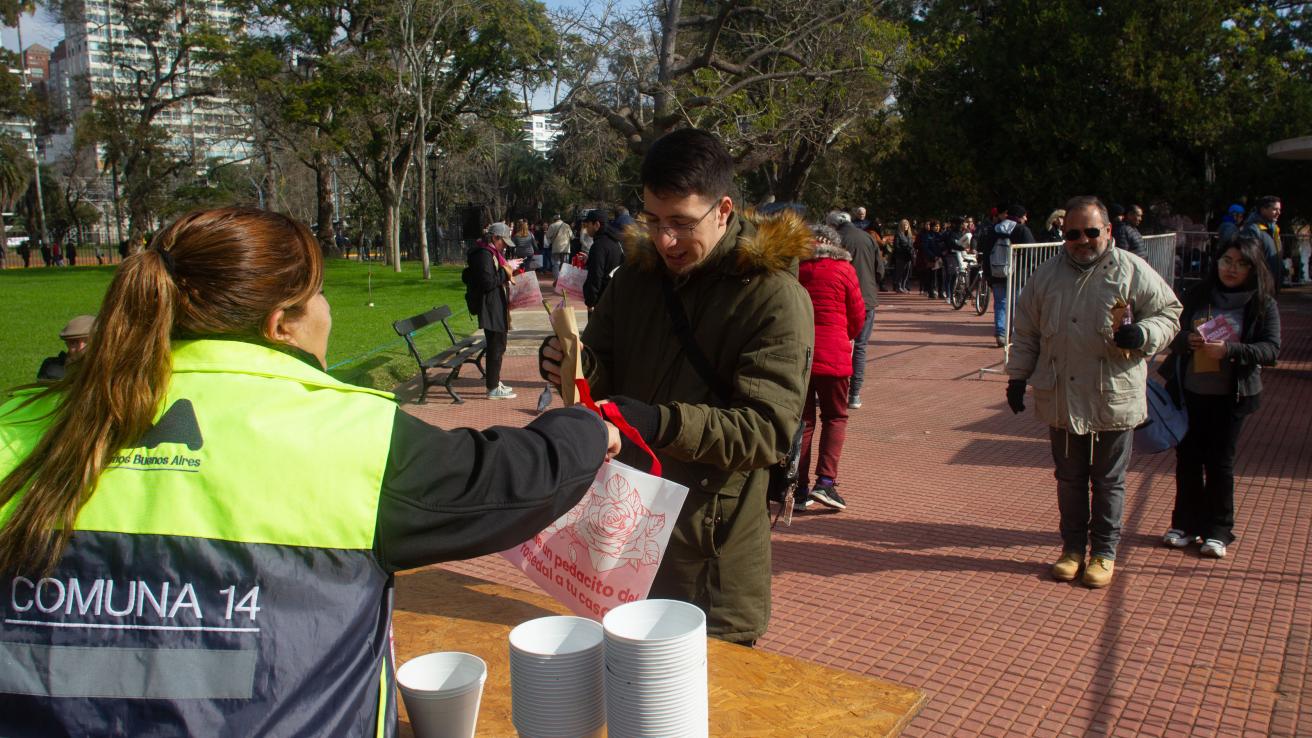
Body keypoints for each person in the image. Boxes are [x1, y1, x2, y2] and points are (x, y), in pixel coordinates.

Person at [0, 207, 619, 736]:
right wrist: (587, 427)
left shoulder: (19, 429)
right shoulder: (347, 437)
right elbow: (510, 477)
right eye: (318, 294)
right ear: (280, 324)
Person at [539, 128, 813, 644]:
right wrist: (566, 363)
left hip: (706, 553)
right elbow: (603, 371)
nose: (665, 241)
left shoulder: (773, 298)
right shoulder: (636, 281)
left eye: (682, 224)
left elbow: (766, 432)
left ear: (724, 209)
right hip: (622, 535)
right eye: (654, 221)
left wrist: (657, 421)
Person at [1006, 196, 1181, 588]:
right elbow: (1027, 332)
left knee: (1107, 480)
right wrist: (1017, 377)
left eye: (1090, 232)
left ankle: (1103, 552)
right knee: (1068, 479)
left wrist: (1144, 334)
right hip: (1062, 396)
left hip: (1112, 397)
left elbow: (1169, 313)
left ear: (1108, 231)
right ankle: (1072, 549)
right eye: (1072, 233)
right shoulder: (1046, 276)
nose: (1082, 240)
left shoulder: (1132, 270)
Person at [1159, 235, 1280, 559]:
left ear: (1253, 269)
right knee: (1187, 460)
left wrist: (1231, 350)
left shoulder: (1262, 302)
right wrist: (1187, 341)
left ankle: (1218, 530)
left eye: (1241, 264)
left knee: (1219, 463)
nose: (1231, 268)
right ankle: (1184, 524)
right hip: (1190, 393)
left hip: (1231, 397)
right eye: (1227, 260)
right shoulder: (1198, 294)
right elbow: (1171, 334)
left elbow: (1271, 349)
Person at [796, 224, 865, 511]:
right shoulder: (844, 270)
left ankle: (795, 488)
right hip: (834, 354)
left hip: (800, 354)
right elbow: (857, 314)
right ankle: (825, 482)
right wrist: (844, 334)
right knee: (835, 417)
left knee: (803, 422)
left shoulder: (796, 268)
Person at [826, 210, 879, 411]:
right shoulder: (867, 237)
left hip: (842, 297)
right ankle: (854, 394)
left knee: (839, 344)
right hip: (867, 298)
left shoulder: (835, 240)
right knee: (860, 346)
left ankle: (837, 392)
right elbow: (879, 268)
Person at [467, 222, 523, 399]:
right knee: (496, 345)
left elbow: (492, 278)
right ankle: (492, 388)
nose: (505, 246)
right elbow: (487, 282)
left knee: (499, 344)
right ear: (494, 238)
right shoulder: (483, 254)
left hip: (496, 304)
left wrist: (508, 269)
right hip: (490, 306)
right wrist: (507, 270)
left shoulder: (491, 253)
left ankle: (494, 381)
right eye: (503, 242)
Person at [980, 205, 1035, 347]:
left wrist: (988, 275)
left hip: (997, 272)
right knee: (1017, 304)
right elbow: (1031, 253)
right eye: (1024, 216)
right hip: (1018, 274)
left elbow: (986, 253)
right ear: (1019, 217)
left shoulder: (993, 230)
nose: (1026, 218)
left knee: (1000, 303)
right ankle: (1016, 334)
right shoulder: (1022, 230)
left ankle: (1001, 333)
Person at [582, 209, 624, 310]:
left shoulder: (598, 246)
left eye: (587, 225)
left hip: (602, 300)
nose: (586, 229)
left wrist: (590, 301)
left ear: (596, 225)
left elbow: (596, 275)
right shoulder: (616, 242)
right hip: (615, 296)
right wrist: (589, 260)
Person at [1242, 195, 1283, 292]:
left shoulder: (1274, 229)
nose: (1278, 213)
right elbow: (1249, 258)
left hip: (1273, 285)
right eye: (1275, 209)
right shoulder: (1252, 230)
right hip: (1259, 287)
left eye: (1279, 209)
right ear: (1263, 209)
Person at [36, 315, 95, 381]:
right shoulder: (53, 368)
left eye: (87, 341)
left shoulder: (105, 370)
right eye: (73, 343)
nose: (80, 348)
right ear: (67, 344)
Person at [892, 219, 914, 293]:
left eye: (907, 225)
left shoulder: (910, 235)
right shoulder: (898, 234)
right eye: (904, 225)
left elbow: (911, 245)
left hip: (909, 257)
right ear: (901, 226)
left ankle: (903, 286)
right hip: (901, 257)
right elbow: (896, 246)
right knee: (900, 272)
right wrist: (905, 250)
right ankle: (898, 287)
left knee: (906, 273)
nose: (905, 226)